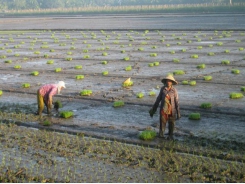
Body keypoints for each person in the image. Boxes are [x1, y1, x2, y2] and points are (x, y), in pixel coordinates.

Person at [149, 75, 180, 140]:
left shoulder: (174, 91)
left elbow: (176, 102)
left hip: (172, 111)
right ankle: (161, 136)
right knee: (162, 124)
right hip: (164, 110)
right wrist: (153, 110)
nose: (168, 82)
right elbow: (158, 99)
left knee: (171, 125)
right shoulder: (163, 89)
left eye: (170, 81)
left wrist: (178, 112)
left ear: (172, 82)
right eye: (167, 81)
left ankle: (170, 136)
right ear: (165, 82)